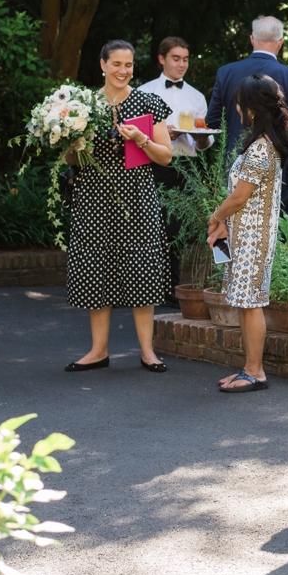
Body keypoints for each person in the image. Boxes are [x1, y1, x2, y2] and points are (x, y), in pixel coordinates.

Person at [64, 40, 174, 374]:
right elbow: (71, 159)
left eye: (128, 65)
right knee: (97, 268)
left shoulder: (147, 102)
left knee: (140, 268)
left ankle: (147, 352)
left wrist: (140, 139)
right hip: (93, 198)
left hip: (136, 198)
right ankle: (98, 351)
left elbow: (166, 156)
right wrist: (73, 141)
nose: (123, 71)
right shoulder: (83, 105)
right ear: (102, 64)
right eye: (116, 64)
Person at [206, 74, 288, 393]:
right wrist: (224, 222)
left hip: (252, 240)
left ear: (252, 108)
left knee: (251, 303)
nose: (236, 106)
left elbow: (240, 197)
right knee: (244, 302)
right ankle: (248, 368)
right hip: (244, 236)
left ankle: (255, 371)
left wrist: (215, 217)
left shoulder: (259, 149)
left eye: (240, 101)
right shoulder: (263, 144)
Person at [206, 16, 288, 214]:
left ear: (252, 39)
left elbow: (212, 122)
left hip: (235, 163)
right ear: (280, 43)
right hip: (279, 169)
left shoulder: (226, 73)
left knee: (233, 225)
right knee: (276, 231)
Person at [137, 36, 213, 302]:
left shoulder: (196, 96)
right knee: (152, 226)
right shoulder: (144, 92)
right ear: (162, 59)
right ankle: (149, 288)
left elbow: (203, 142)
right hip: (154, 164)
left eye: (185, 59)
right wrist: (160, 135)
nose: (182, 65)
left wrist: (202, 138)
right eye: (176, 58)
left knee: (178, 229)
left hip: (186, 167)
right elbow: (136, 134)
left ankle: (173, 289)